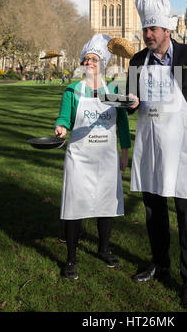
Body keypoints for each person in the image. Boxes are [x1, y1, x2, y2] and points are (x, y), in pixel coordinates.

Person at [126, 0, 187, 309]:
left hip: (180, 144)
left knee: (186, 209)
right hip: (150, 142)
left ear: (167, 30)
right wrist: (129, 102)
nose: (147, 35)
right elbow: (131, 101)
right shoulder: (138, 61)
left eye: (152, 29)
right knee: (153, 208)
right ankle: (160, 263)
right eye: (145, 30)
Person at [55, 34, 131, 280]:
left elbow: (122, 123)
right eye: (86, 60)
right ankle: (71, 259)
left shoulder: (113, 91)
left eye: (94, 59)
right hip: (80, 157)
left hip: (106, 158)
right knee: (74, 207)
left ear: (103, 63)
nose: (89, 63)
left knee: (106, 205)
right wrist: (61, 127)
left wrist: (125, 152)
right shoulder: (73, 90)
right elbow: (64, 116)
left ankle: (104, 248)